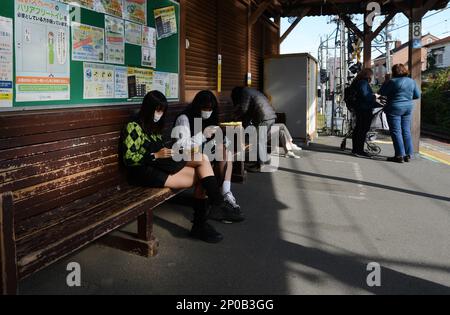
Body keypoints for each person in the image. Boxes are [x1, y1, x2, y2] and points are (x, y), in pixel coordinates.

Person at [121, 91, 244, 244]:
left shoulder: (153, 126)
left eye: (162, 111)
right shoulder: (134, 126)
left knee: (203, 164)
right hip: (142, 172)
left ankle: (207, 216)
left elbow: (159, 149)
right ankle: (209, 214)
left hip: (158, 165)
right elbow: (129, 159)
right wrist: (155, 156)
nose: (159, 114)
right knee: (202, 169)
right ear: (148, 108)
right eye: (157, 110)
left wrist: (164, 154)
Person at [173, 90, 243, 212]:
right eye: (205, 108)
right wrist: (204, 136)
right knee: (216, 156)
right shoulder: (184, 118)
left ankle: (226, 193)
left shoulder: (209, 119)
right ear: (198, 106)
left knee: (225, 150)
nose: (208, 112)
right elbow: (182, 146)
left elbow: (215, 138)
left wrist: (223, 139)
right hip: (185, 155)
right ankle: (216, 199)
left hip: (202, 152)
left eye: (211, 109)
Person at [231, 87, 301, 170]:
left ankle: (260, 165)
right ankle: (285, 152)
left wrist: (235, 116)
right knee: (274, 132)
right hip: (270, 116)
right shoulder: (253, 91)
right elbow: (250, 111)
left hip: (263, 117)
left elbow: (244, 109)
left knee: (258, 140)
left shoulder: (244, 92)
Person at [380, 64, 421, 163]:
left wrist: (386, 81)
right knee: (406, 130)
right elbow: (417, 95)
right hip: (407, 108)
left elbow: (382, 92)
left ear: (394, 72)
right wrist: (407, 99)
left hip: (394, 108)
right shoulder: (411, 81)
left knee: (396, 131)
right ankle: (408, 154)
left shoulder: (392, 82)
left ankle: (399, 155)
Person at [351, 68, 378, 157]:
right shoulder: (363, 83)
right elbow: (365, 96)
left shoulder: (357, 81)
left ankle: (356, 149)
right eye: (371, 75)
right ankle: (359, 150)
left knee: (359, 128)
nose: (372, 77)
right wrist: (375, 97)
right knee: (362, 129)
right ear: (368, 75)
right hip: (364, 108)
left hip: (360, 108)